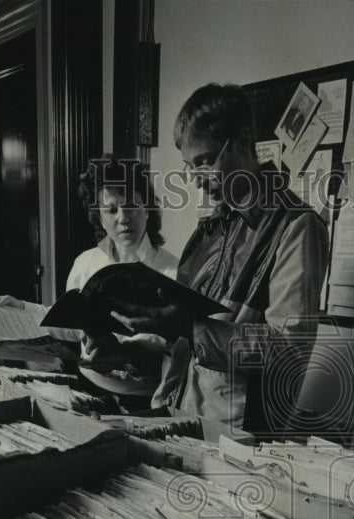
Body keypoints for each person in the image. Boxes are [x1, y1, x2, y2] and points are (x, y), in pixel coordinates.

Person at [115, 83, 329, 434]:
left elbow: (288, 354)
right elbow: (184, 350)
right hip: (180, 423)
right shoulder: (210, 229)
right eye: (190, 167)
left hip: (237, 441)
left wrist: (190, 327)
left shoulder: (296, 226)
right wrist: (127, 355)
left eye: (205, 162)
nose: (197, 181)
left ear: (244, 140)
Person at [0, 155, 178, 388]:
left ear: (148, 210)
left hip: (142, 395)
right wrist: (23, 309)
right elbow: (71, 323)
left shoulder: (175, 272)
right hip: (87, 385)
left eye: (131, 205)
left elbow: (171, 351)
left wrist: (123, 355)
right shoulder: (86, 262)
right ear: (100, 219)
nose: (123, 218)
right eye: (111, 210)